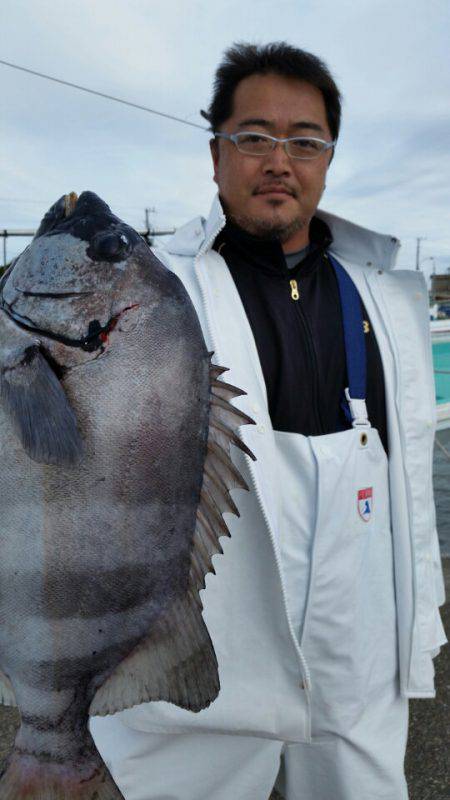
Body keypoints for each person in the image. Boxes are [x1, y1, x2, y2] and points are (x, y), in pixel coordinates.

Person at [91, 42, 446, 800]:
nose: (279, 160)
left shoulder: (381, 295)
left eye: (305, 141)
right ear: (215, 152)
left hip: (359, 625)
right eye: (253, 137)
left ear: (327, 159)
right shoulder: (148, 295)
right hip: (211, 616)